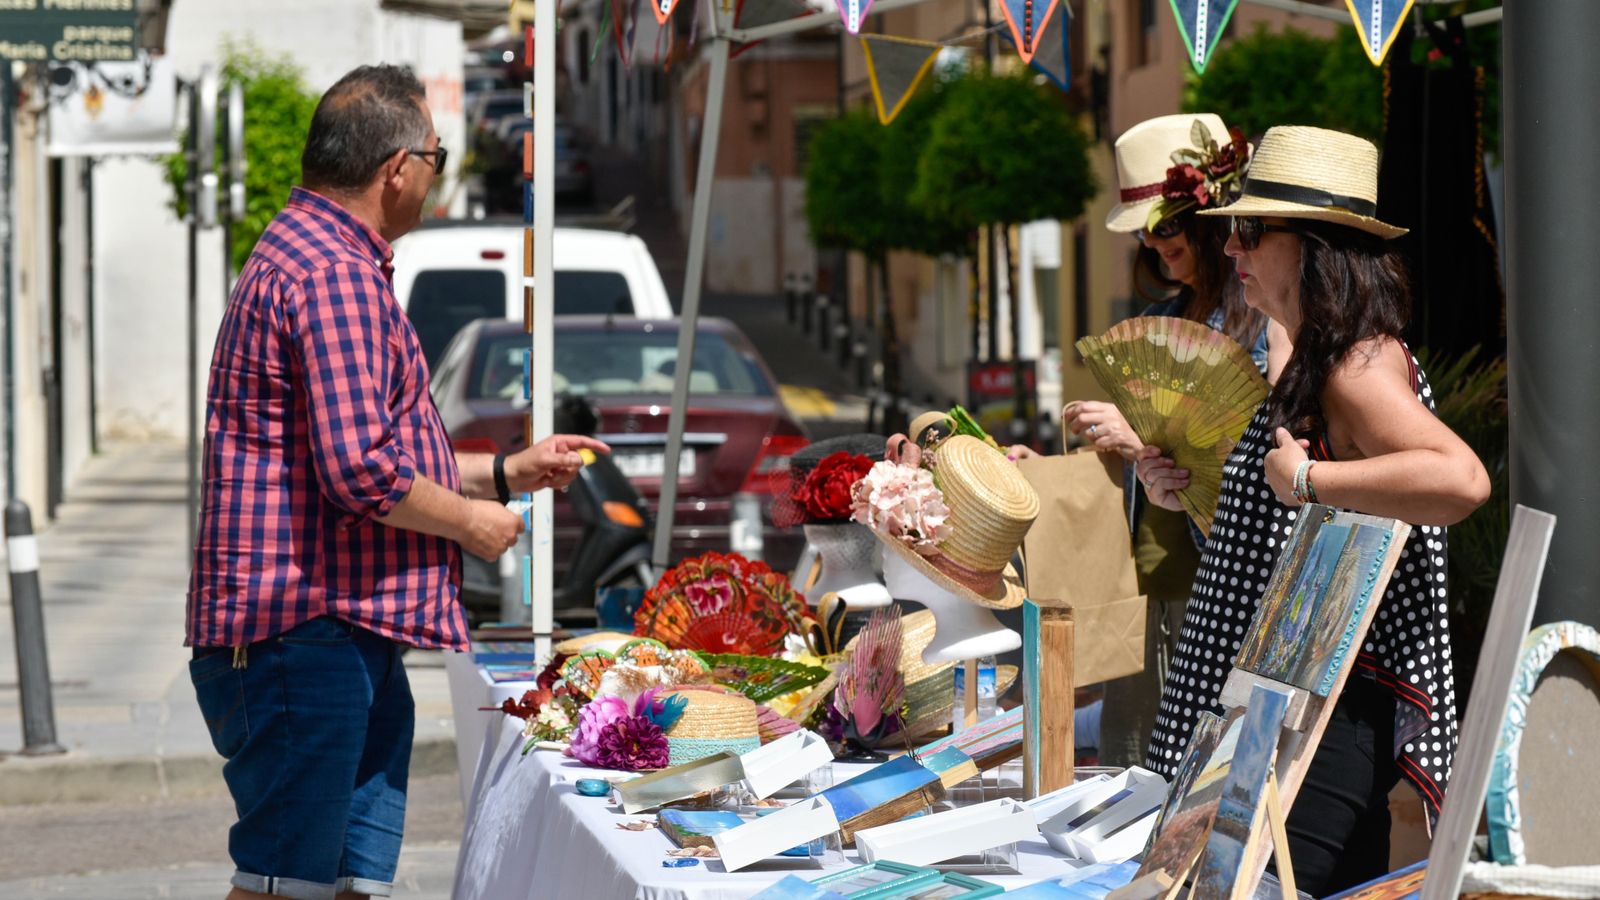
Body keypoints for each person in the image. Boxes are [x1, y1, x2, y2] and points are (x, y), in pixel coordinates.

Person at [186, 65, 608, 900]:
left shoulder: (314, 254)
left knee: (346, 884)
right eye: (438, 157)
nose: (436, 175)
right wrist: (471, 525)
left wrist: (505, 472)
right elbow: (361, 472)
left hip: (332, 630)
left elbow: (368, 451)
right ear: (398, 169)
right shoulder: (331, 272)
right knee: (283, 885)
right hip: (302, 634)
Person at [1137, 125, 1490, 893]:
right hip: (1283, 713)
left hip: (1318, 723)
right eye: (1231, 229)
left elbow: (1460, 479)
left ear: (1317, 247)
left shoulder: (1357, 363)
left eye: (1251, 231)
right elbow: (1266, 536)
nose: (1230, 250)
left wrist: (1307, 482)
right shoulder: (1311, 350)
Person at [1059, 114, 1278, 768]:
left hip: (1228, 587)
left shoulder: (1267, 324)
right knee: (1149, 767)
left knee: (1205, 772)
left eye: (1166, 226)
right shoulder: (1159, 321)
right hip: (1156, 588)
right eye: (1145, 235)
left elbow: (1249, 450)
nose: (1154, 246)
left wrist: (1138, 436)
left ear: (1211, 219)